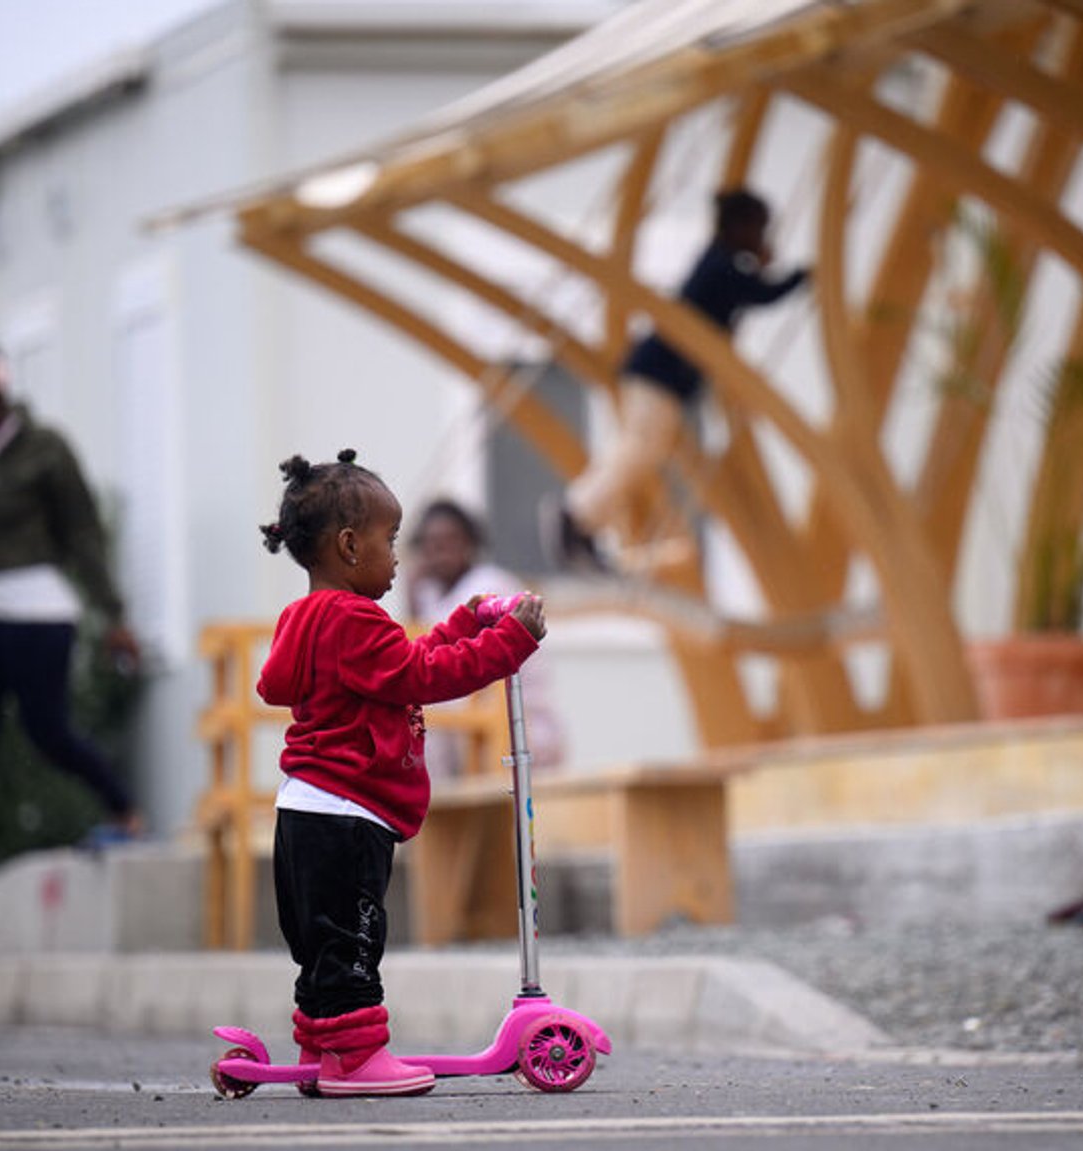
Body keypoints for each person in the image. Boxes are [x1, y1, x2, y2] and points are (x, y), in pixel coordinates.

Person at [257, 450, 544, 1096]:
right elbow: (422, 677)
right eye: (389, 541)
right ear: (350, 545)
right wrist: (508, 645)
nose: (396, 557)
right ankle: (356, 1060)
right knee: (356, 939)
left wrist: (464, 622)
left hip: (305, 811)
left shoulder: (308, 618)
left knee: (322, 944)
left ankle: (323, 1046)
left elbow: (402, 665)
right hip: (345, 814)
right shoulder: (354, 619)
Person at [0, 331, 143, 963]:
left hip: (35, 615)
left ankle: (124, 809)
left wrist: (114, 615)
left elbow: (83, 533)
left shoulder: (43, 448)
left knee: (47, 732)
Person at [547, 187, 810, 571]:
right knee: (640, 446)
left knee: (642, 448)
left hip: (659, 377)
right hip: (657, 374)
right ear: (739, 227)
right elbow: (762, 293)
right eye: (758, 230)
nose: (762, 239)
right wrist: (802, 275)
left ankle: (586, 521)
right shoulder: (721, 265)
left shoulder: (723, 263)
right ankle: (577, 513)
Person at [405, 498, 565, 777]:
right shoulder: (430, 593)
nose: (440, 552)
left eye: (450, 541)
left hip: (518, 730)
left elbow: (447, 661)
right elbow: (422, 655)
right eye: (431, 544)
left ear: (470, 543)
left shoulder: (488, 584)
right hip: (470, 741)